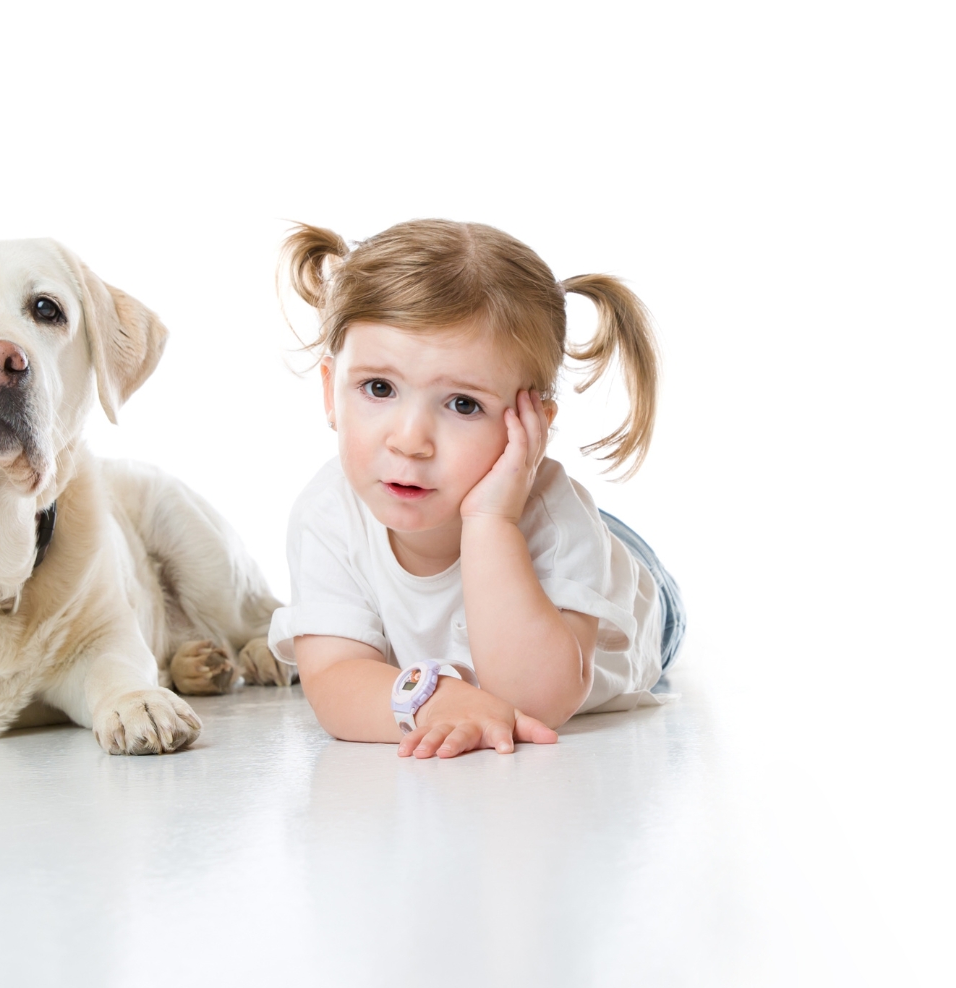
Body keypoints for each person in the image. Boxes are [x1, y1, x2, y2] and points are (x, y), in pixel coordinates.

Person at [266, 219, 684, 759]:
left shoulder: (556, 520)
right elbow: (334, 678)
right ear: (330, 392)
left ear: (533, 425)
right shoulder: (327, 512)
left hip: (630, 587)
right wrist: (433, 702)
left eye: (463, 404)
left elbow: (537, 702)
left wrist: (492, 523)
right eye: (379, 388)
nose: (409, 441)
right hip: (502, 515)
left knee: (596, 549)